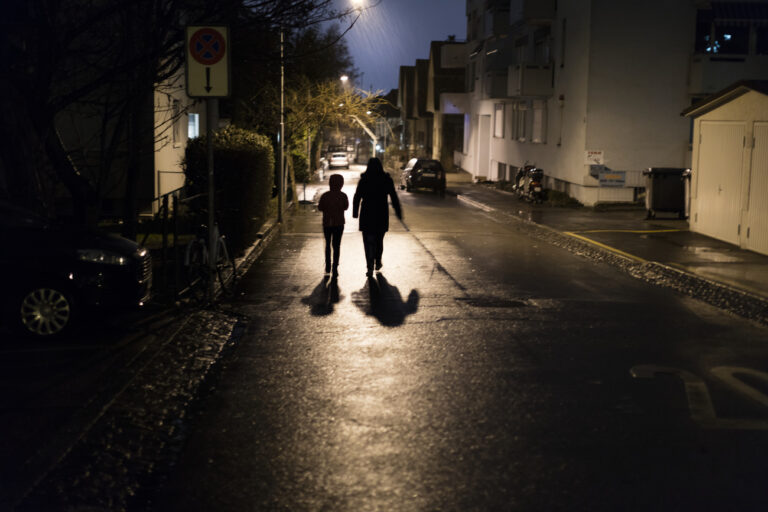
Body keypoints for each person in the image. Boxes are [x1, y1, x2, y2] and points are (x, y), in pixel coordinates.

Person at [352, 158, 402, 277]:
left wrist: (355, 212)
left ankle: (369, 265)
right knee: (379, 240)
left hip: (367, 213)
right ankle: (377, 261)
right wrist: (398, 211)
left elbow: (357, 196)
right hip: (381, 213)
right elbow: (393, 196)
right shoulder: (386, 179)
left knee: (367, 241)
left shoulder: (364, 179)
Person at [317, 173, 349, 276]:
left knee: (328, 244)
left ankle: (327, 266)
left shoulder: (325, 195)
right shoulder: (343, 195)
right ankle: (335, 266)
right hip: (339, 223)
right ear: (341, 184)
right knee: (336, 245)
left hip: (327, 222)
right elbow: (346, 207)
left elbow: (320, 208)